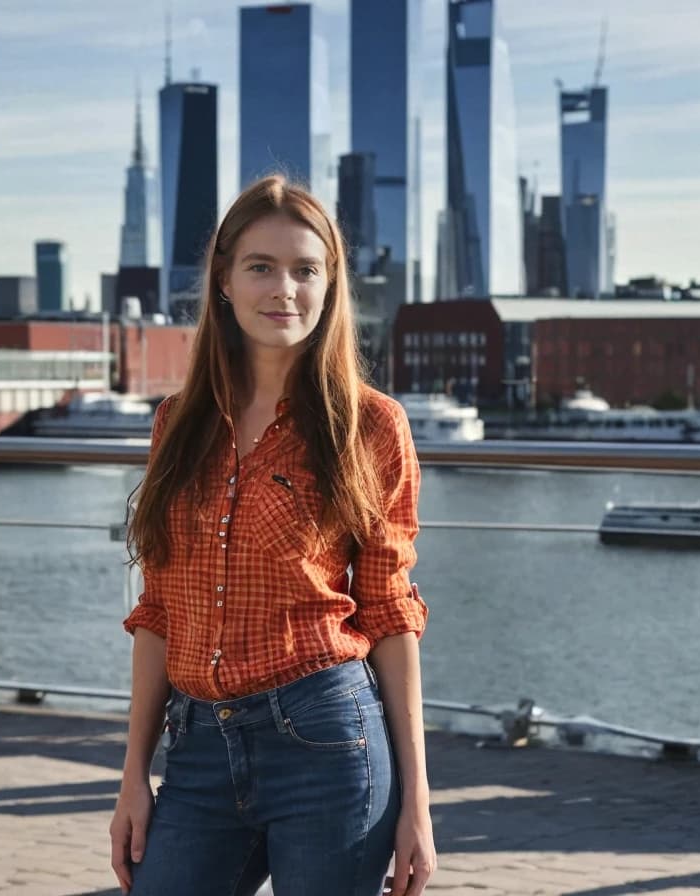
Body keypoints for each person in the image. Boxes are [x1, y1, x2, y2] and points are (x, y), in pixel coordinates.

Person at [109, 175, 435, 896]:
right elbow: (160, 606)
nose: (283, 288)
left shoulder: (372, 426)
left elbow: (388, 612)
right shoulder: (177, 423)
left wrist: (418, 800)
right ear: (224, 279)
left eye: (305, 269)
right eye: (261, 266)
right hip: (195, 752)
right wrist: (133, 775)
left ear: (329, 286)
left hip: (328, 741)